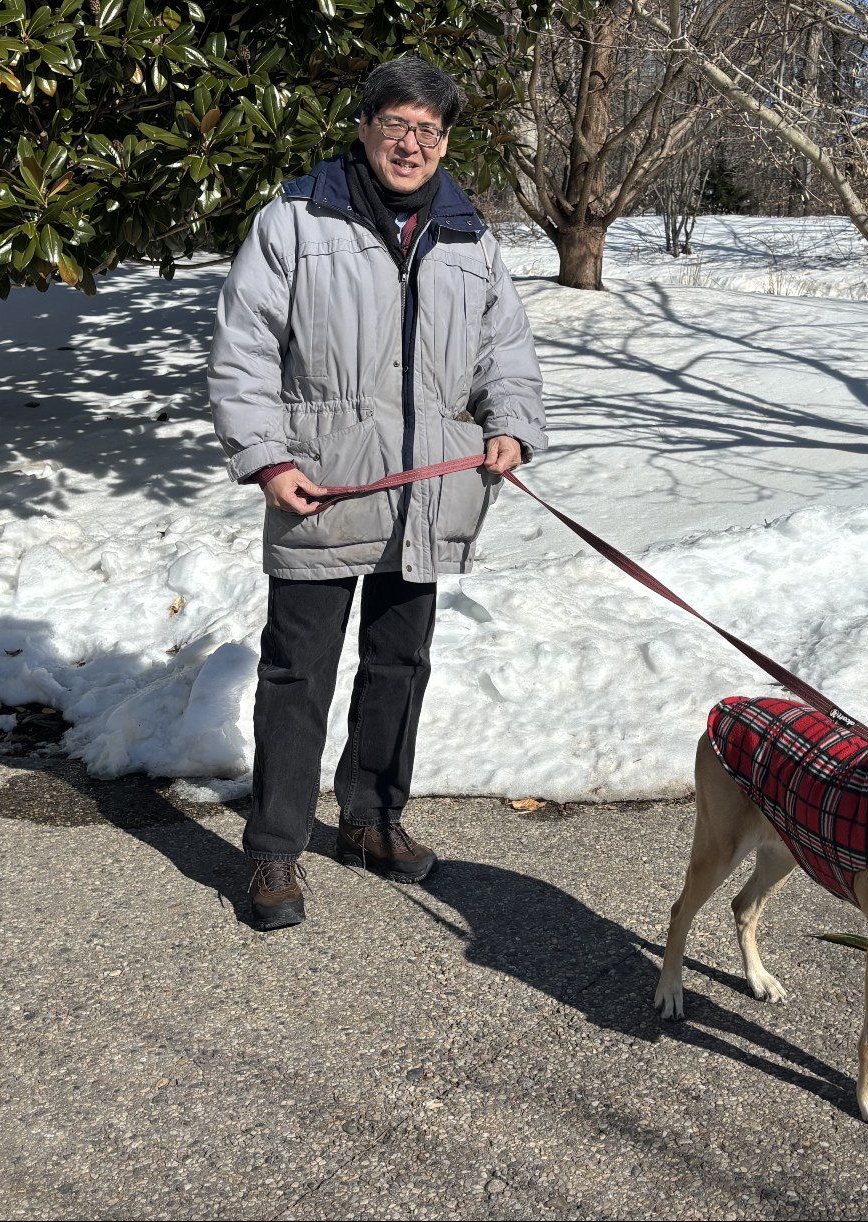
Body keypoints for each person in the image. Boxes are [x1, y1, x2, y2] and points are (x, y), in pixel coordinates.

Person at [208, 55, 547, 931]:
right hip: (320, 484)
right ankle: (275, 849)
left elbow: (505, 351)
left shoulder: (470, 236)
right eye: (394, 124)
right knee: (297, 674)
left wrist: (509, 426)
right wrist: (266, 459)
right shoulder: (294, 219)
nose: (410, 144)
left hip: (431, 489)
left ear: (445, 142)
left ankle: (370, 819)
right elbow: (245, 348)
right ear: (363, 128)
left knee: (400, 664)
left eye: (428, 130)